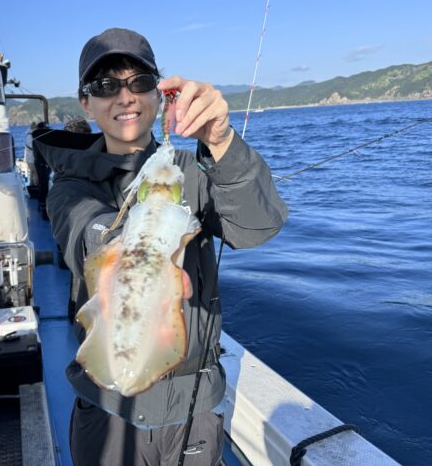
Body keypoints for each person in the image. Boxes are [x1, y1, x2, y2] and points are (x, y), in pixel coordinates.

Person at [36, 28, 288, 465]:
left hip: (194, 407)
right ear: (86, 102)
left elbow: (256, 227)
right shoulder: (71, 186)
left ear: (159, 92)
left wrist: (221, 141)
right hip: (109, 408)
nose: (125, 96)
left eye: (139, 82)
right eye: (106, 85)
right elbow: (86, 235)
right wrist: (145, 237)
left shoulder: (195, 171)